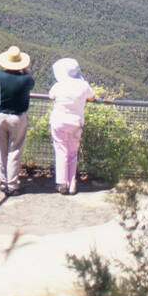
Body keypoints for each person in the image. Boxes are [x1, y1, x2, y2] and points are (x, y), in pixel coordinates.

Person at [0, 45, 34, 196]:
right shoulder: (26, 79)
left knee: (0, 149)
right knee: (15, 150)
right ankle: (12, 184)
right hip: (17, 118)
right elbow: (30, 77)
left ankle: (2, 181)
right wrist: (24, 68)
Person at [49, 57, 95, 195]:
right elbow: (92, 97)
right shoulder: (83, 85)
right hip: (76, 122)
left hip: (59, 121)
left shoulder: (59, 85)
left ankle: (62, 184)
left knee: (61, 150)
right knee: (73, 153)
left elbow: (51, 96)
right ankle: (72, 184)